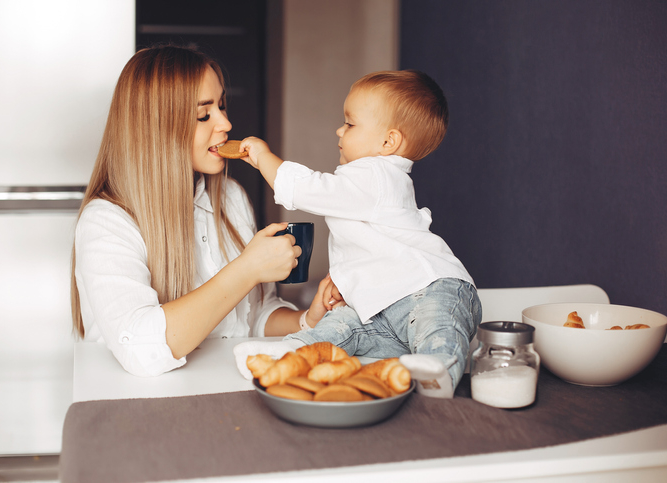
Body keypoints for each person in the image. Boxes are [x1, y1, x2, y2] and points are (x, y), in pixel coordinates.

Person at [71, 45, 333, 377]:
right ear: (157, 127)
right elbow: (139, 349)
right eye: (203, 114)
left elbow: (253, 316)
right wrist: (247, 269)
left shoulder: (230, 198)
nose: (225, 122)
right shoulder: (107, 221)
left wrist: (308, 318)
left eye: (221, 106)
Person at [233, 70, 482, 398]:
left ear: (387, 142)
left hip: (430, 288)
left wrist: (264, 158)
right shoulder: (372, 182)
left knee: (437, 329)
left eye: (350, 124)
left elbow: (309, 190)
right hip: (382, 306)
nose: (340, 129)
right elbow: (368, 247)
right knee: (342, 326)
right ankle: (292, 352)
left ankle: (438, 370)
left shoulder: (375, 175)